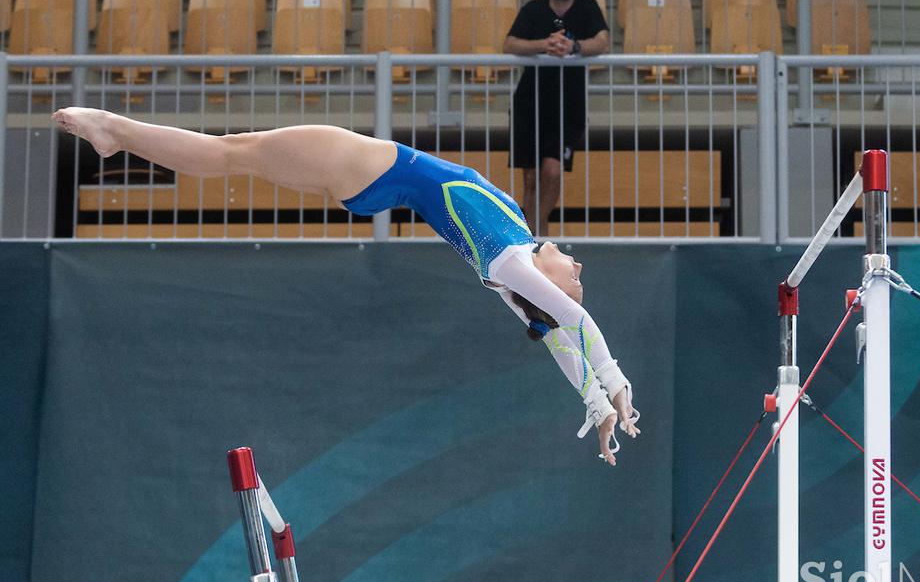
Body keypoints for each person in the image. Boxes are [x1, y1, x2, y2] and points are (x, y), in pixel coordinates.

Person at [52, 107, 640, 465]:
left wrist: (613, 380)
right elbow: (563, 337)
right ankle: (118, 133)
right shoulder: (515, 255)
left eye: (573, 283)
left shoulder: (510, 262)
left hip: (373, 166)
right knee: (234, 154)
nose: (580, 270)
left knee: (233, 151)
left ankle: (116, 131)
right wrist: (597, 398)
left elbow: (572, 326)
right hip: (377, 177)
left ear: (543, 283)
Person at [503, 0, 609, 237]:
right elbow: (509, 43)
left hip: (567, 105)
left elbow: (602, 41)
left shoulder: (588, 7)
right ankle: (536, 237)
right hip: (530, 102)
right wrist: (545, 44)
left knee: (551, 170)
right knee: (531, 178)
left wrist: (574, 48)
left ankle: (534, 234)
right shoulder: (533, 9)